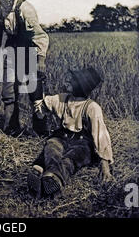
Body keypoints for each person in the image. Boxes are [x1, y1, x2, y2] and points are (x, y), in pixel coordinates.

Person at [27, 67, 113, 199]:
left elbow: (100, 134)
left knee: (70, 159)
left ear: (81, 86)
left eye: (73, 80)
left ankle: (53, 179)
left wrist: (104, 163)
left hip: (82, 143)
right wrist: (35, 91)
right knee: (52, 148)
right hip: (61, 137)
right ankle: (44, 176)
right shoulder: (62, 99)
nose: (69, 81)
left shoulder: (92, 107)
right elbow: (41, 108)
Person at [0, 0, 49, 136]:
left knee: (35, 95)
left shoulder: (25, 8)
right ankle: (12, 130)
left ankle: (40, 132)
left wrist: (41, 59)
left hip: (29, 52)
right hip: (12, 54)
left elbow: (40, 36)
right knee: (8, 94)